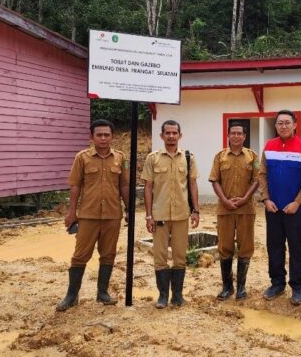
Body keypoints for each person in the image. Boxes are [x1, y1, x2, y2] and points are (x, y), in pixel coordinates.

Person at [57, 119, 129, 311]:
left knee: (108, 255)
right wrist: (72, 212)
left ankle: (102, 293)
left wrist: (129, 209)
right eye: (99, 135)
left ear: (112, 137)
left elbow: (124, 186)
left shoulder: (120, 158)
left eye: (107, 135)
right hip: (88, 215)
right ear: (92, 137)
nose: (103, 138)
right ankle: (71, 296)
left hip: (113, 215)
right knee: (80, 255)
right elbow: (75, 186)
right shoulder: (82, 158)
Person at [142, 120, 200, 308]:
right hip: (159, 216)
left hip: (182, 214)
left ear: (180, 135)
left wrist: (196, 210)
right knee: (159, 257)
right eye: (168, 133)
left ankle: (177, 295)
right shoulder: (153, 158)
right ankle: (162, 296)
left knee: (179, 256)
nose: (171, 136)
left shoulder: (188, 158)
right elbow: (148, 187)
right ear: (162, 136)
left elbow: (192, 185)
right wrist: (148, 215)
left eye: (175, 133)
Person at [259, 110, 301, 305]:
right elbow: (262, 175)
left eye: (287, 122)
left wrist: (297, 202)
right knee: (274, 246)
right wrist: (266, 199)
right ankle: (277, 283)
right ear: (275, 126)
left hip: (295, 210)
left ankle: (297, 287)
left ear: (295, 124)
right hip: (273, 208)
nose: (283, 126)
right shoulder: (269, 147)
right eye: (280, 123)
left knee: (296, 248)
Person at [209, 122, 259, 300]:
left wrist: (245, 198)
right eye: (233, 133)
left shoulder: (252, 157)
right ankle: (227, 287)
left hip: (246, 210)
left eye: (240, 134)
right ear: (228, 136)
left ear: (244, 137)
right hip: (225, 210)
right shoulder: (220, 157)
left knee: (245, 248)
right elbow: (214, 180)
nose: (236, 136)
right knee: (225, 247)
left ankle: (241, 288)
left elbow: (257, 179)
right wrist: (224, 200)